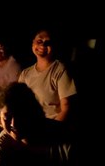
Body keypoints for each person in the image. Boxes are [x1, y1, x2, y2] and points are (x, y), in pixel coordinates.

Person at [18, 28, 77, 157]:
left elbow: (66, 108)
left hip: (52, 129)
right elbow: (17, 102)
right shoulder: (25, 73)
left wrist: (49, 134)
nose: (43, 45)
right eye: (39, 41)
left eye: (48, 43)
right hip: (30, 129)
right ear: (33, 44)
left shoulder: (59, 70)